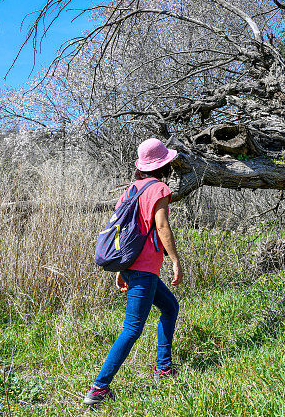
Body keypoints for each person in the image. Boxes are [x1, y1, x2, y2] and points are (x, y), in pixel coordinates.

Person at [83, 138, 184, 406]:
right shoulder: (160, 188)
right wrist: (174, 259)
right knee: (132, 328)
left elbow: (122, 230)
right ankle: (99, 388)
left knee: (170, 308)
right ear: (164, 164)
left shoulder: (131, 190)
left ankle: (164, 367)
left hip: (132, 268)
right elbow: (162, 228)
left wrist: (121, 268)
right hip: (143, 271)